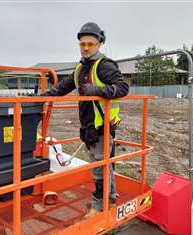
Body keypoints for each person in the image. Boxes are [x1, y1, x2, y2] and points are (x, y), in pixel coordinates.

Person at [43, 22, 129, 217]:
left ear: (99, 44)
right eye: (83, 44)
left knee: (100, 167)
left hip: (102, 127)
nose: (86, 48)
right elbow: (63, 87)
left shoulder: (104, 65)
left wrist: (97, 91)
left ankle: (99, 207)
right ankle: (111, 197)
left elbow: (123, 88)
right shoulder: (80, 68)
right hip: (89, 125)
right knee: (105, 164)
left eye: (91, 44)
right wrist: (43, 96)